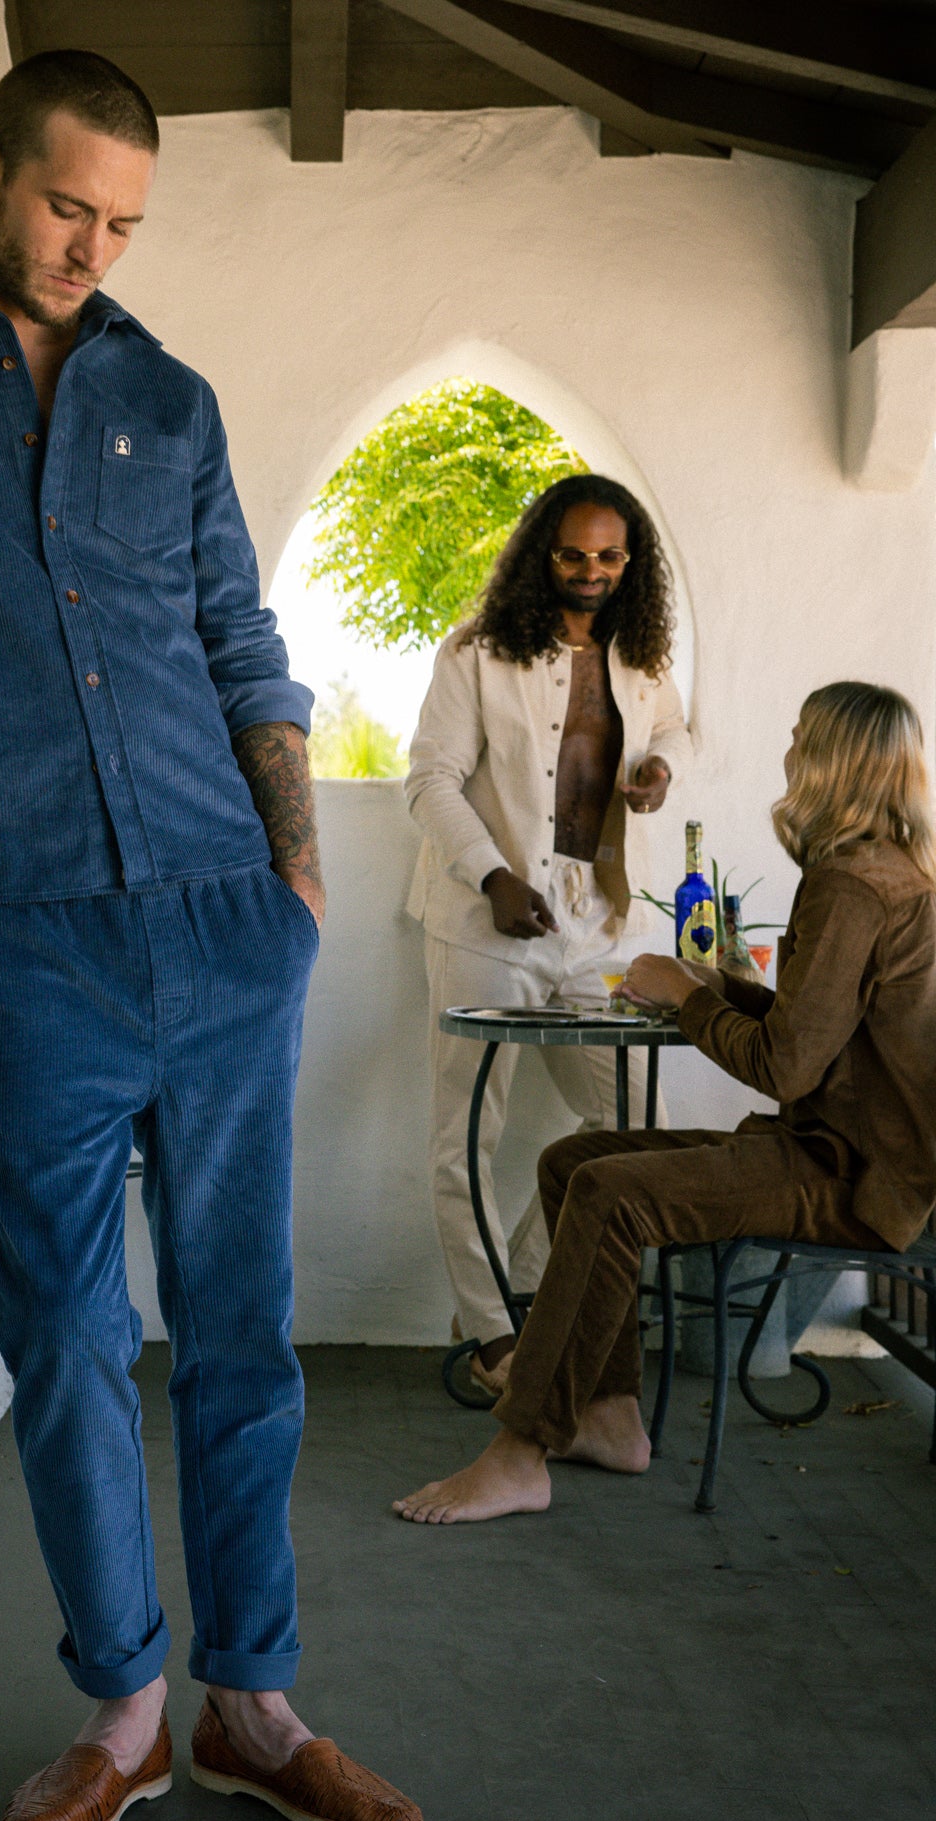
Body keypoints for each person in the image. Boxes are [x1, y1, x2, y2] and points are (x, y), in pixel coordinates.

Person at [0, 50, 423, 1821]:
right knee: (57, 1333)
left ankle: (253, 1709)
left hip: (220, 922)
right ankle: (123, 1706)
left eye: (123, 223)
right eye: (65, 208)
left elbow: (235, 635)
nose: (91, 250)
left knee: (241, 1337)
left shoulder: (169, 397)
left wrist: (293, 878)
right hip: (18, 940)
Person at [395, 680, 936, 1524]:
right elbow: (823, 1036)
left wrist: (686, 1001)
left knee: (612, 1191)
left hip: (852, 1179)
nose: (789, 754)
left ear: (833, 761)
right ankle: (609, 1416)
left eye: (801, 739)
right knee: (574, 1161)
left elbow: (787, 1067)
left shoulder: (853, 888)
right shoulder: (882, 872)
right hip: (836, 1153)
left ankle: (518, 1452)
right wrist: (708, 983)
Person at [405, 475, 695, 1395]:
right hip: (487, 918)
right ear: (543, 554)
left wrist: (657, 768)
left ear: (630, 564)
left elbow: (679, 731)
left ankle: (519, 1282)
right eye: (573, 554)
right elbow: (430, 781)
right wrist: (492, 876)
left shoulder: (642, 660)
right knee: (466, 1136)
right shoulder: (477, 653)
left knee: (626, 1116)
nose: (592, 572)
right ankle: (494, 1339)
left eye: (611, 557)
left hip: (600, 922)